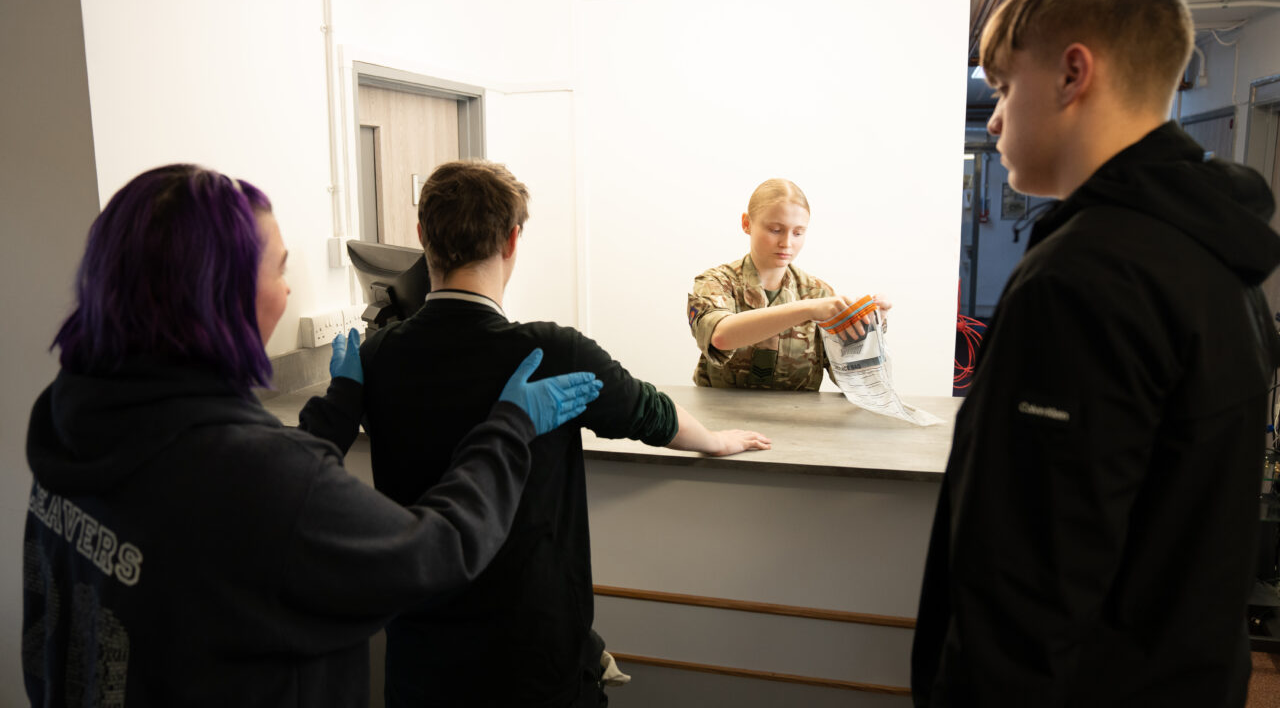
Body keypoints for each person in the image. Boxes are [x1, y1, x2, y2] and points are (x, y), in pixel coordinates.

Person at [22, 164, 602, 707]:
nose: (289, 291)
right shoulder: (251, 475)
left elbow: (263, 509)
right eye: (278, 269)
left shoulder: (73, 421)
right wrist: (508, 428)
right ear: (217, 297)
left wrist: (338, 406)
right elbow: (438, 552)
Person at [911, 0, 1280, 706]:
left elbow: (1026, 591)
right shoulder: (1215, 257)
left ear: (1073, 75)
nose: (996, 115)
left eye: (1006, 87)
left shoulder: (1085, 279)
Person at [360, 159, 771, 708]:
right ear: (511, 240)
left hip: (420, 646)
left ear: (421, 237)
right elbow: (650, 414)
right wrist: (717, 440)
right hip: (530, 652)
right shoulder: (550, 353)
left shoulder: (378, 355)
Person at [687, 178, 891, 389]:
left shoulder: (819, 293)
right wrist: (808, 309)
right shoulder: (716, 282)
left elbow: (854, 380)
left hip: (796, 418)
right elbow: (720, 337)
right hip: (719, 418)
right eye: (775, 230)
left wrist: (869, 326)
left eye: (798, 233)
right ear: (747, 223)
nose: (786, 243)